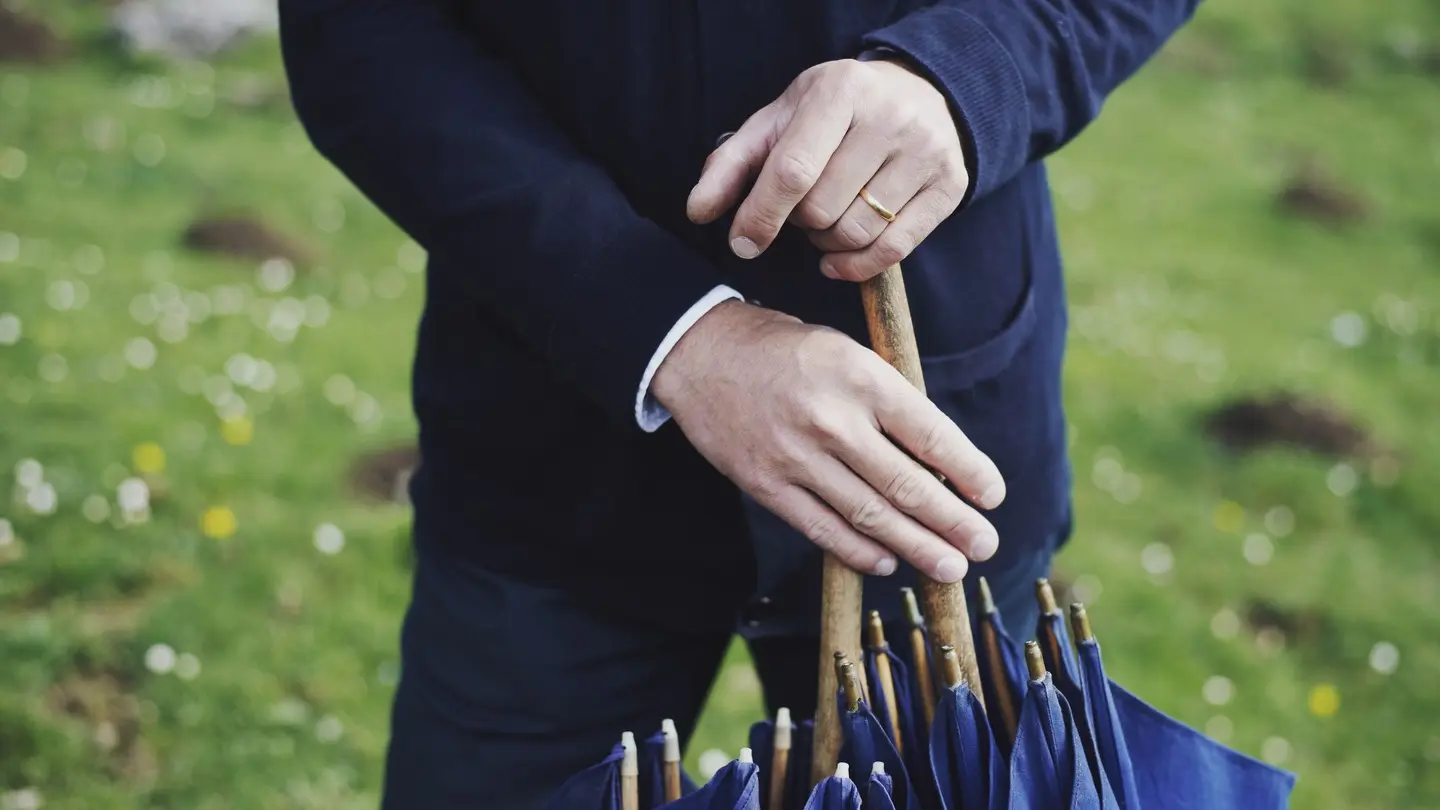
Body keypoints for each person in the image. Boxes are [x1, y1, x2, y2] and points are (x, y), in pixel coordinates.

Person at [278, 0, 1197, 805]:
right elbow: (360, 24)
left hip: (930, 455)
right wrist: (669, 331)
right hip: (551, 446)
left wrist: (965, 76)